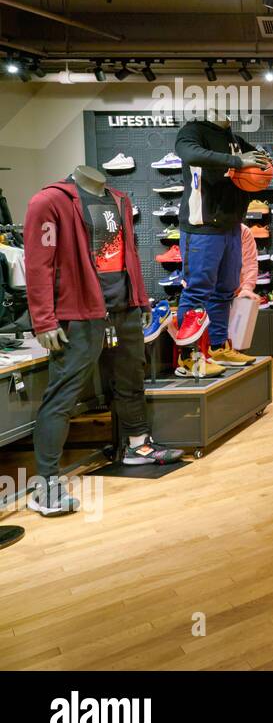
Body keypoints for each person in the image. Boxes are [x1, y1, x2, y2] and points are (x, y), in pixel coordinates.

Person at [23, 167, 183, 516]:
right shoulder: (49, 201)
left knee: (131, 380)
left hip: (123, 307)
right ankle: (46, 484)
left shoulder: (119, 200)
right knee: (63, 395)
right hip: (79, 311)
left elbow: (129, 256)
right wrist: (44, 320)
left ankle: (137, 447)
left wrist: (139, 299)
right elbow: (38, 264)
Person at [174, 116, 268, 368]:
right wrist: (238, 162)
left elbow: (270, 165)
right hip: (202, 226)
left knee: (224, 291)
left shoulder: (234, 140)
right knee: (197, 291)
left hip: (231, 226)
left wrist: (265, 166)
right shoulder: (193, 131)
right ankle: (188, 356)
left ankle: (217, 348)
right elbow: (189, 154)